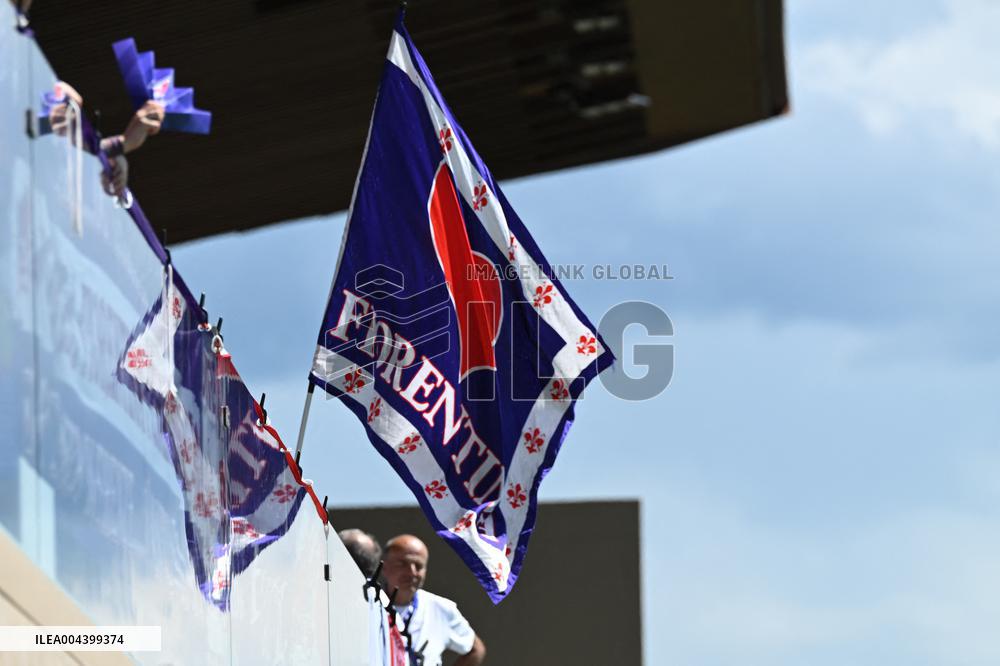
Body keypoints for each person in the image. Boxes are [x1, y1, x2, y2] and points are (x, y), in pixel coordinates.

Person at [382, 534, 486, 666]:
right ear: (384, 567)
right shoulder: (370, 601)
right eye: (402, 564)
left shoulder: (440, 608)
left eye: (419, 566)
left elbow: (476, 650)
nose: (412, 572)